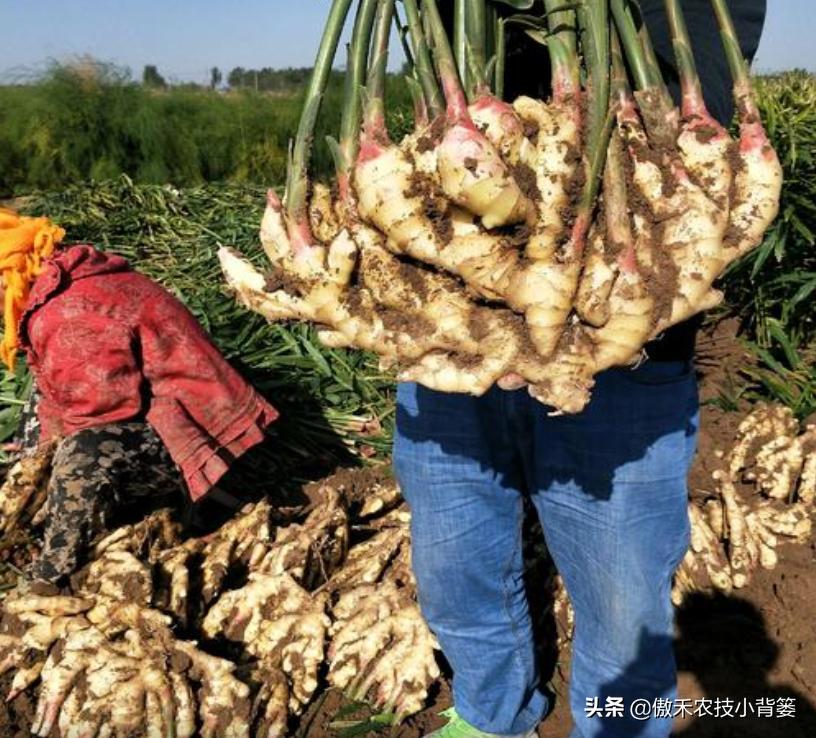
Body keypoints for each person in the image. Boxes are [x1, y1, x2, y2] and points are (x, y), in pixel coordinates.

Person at [393, 2, 768, 737]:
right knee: (453, 560)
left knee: (624, 596)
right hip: (457, 313)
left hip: (625, 322)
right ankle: (489, 714)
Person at [0, 209, 279, 583]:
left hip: (190, 432)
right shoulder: (55, 292)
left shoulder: (66, 309)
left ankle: (54, 573)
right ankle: (49, 525)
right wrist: (31, 471)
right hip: (156, 416)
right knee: (40, 432)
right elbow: (60, 396)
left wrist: (52, 481)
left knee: (82, 458)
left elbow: (105, 408)